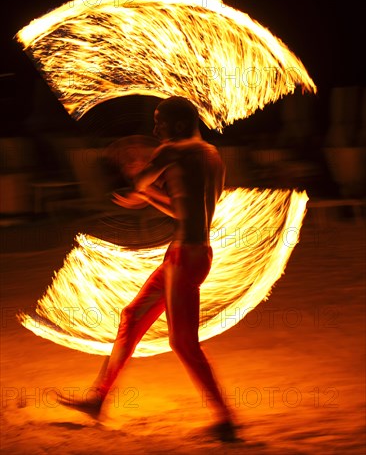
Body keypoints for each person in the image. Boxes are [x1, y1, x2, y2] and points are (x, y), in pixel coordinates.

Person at [59, 96, 237, 441]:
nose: (156, 130)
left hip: (185, 257)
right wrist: (150, 192)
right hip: (191, 254)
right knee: (131, 316)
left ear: (180, 125)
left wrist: (139, 182)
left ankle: (225, 417)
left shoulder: (170, 152)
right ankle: (98, 398)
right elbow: (184, 212)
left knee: (183, 342)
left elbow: (142, 182)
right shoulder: (212, 155)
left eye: (161, 123)